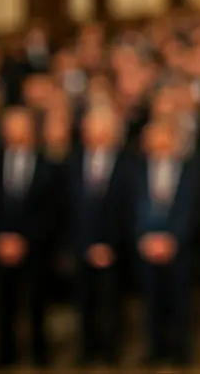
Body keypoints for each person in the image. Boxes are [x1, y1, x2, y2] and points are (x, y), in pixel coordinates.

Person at [0, 106, 60, 368]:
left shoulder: (48, 164)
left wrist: (25, 238)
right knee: (3, 302)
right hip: (0, 245)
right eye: (12, 126)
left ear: (31, 130)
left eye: (22, 126)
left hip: (35, 245)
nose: (17, 132)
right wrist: (0, 237)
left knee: (37, 301)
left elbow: (51, 209)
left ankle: (40, 353)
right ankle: (5, 353)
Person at [68, 106, 134, 365]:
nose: (95, 134)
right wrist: (85, 244)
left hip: (114, 247)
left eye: (101, 129)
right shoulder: (73, 163)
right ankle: (86, 350)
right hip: (82, 245)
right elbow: (68, 208)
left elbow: (127, 210)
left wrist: (109, 244)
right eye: (91, 129)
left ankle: (111, 351)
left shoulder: (127, 165)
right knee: (84, 302)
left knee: (112, 302)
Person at [134, 120, 200, 366]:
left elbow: (190, 209)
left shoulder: (190, 170)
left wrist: (173, 239)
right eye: (154, 137)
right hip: (146, 247)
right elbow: (132, 208)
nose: (160, 143)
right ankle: (155, 350)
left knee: (179, 302)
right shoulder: (137, 171)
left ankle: (181, 352)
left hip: (178, 248)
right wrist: (146, 238)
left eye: (165, 136)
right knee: (152, 303)